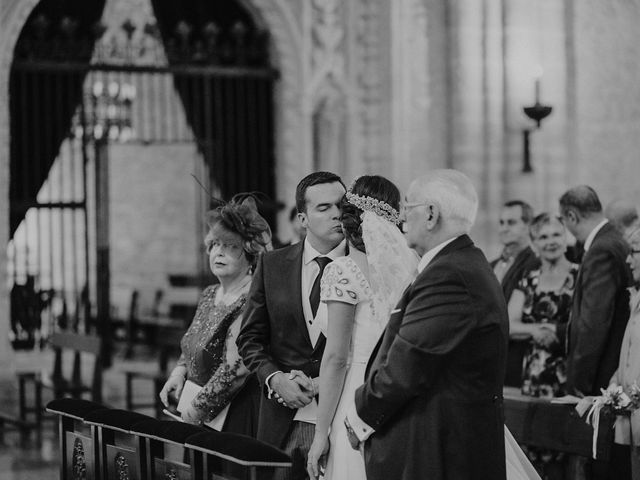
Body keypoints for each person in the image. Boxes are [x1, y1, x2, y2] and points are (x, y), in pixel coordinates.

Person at [344, 169, 518, 480]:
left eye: (408, 207)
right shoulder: (459, 264)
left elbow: (407, 363)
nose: (401, 217)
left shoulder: (450, 274)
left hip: (442, 452)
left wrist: (359, 417)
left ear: (431, 215)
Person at [305, 175, 418, 480]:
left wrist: (321, 433)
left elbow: (336, 359)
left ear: (346, 220)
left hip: (357, 396)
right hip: (398, 393)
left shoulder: (342, 271)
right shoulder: (414, 268)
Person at [237, 171, 347, 480]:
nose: (336, 214)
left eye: (341, 205)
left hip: (340, 417)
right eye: (323, 208)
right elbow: (250, 338)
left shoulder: (363, 266)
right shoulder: (272, 265)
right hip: (281, 419)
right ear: (303, 218)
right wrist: (275, 380)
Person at [159, 194, 271, 436]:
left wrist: (195, 410)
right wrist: (179, 372)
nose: (219, 253)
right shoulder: (210, 293)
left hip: (236, 417)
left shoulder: (251, 299)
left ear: (250, 255)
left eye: (231, 246)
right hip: (198, 410)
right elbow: (193, 341)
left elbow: (235, 371)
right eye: (216, 245)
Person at [558, 185, 633, 479]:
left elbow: (593, 324)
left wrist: (576, 389)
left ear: (571, 216)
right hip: (613, 373)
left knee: (598, 467)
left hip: (600, 380)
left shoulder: (601, 249)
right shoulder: (614, 239)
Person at [508, 213, 579, 398]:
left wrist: (556, 332)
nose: (551, 242)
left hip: (571, 374)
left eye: (556, 235)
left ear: (566, 238)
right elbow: (508, 324)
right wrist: (535, 331)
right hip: (533, 376)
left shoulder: (581, 276)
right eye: (543, 237)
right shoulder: (528, 281)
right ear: (534, 244)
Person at [607, 226, 640, 480]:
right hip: (631, 420)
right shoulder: (635, 299)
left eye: (635, 252)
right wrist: (615, 387)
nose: (628, 260)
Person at [491, 200, 540, 303]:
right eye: (501, 223)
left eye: (511, 222)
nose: (504, 228)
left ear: (529, 226)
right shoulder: (490, 266)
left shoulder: (535, 264)